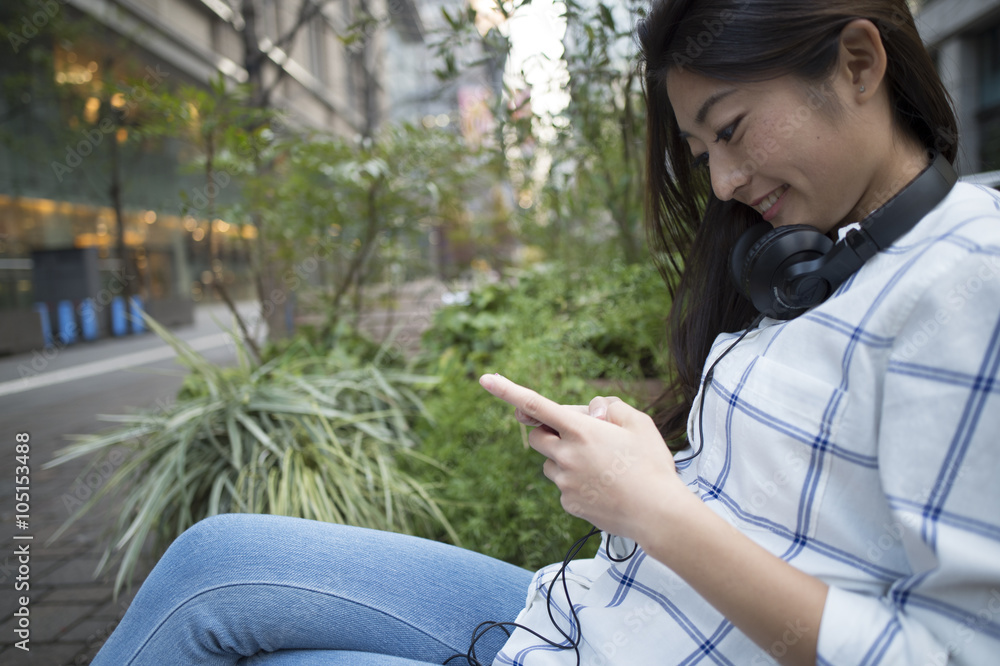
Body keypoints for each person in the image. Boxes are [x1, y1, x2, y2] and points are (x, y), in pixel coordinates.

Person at [91, 1, 1000, 664]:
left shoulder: (966, 285)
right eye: (701, 153)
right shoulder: (820, 257)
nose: (721, 183)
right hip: (593, 616)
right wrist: (647, 463)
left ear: (857, 63)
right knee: (215, 561)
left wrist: (650, 507)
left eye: (731, 131)